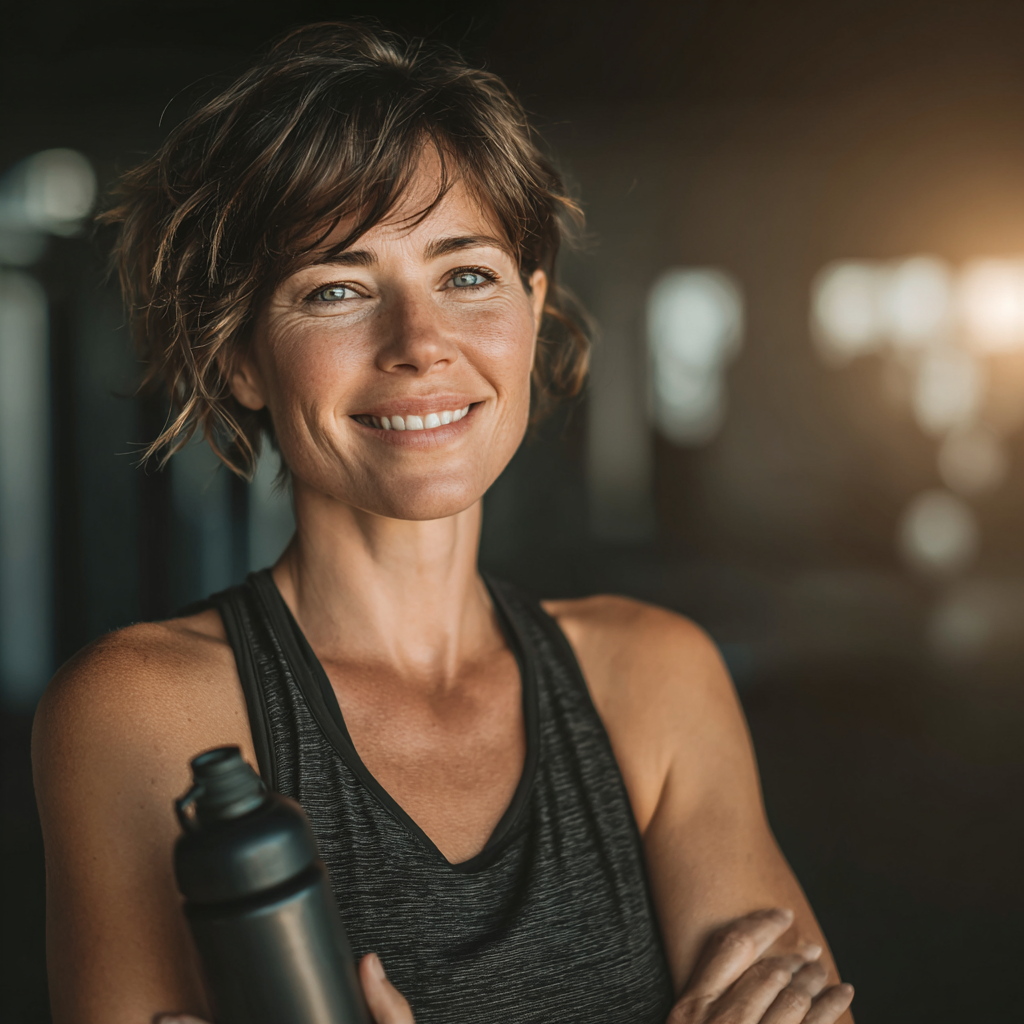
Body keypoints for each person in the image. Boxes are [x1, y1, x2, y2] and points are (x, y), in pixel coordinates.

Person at [32, 22, 855, 1024]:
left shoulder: (654, 677)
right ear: (239, 358)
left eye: (465, 274)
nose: (420, 344)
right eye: (336, 289)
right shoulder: (140, 714)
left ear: (531, 308)